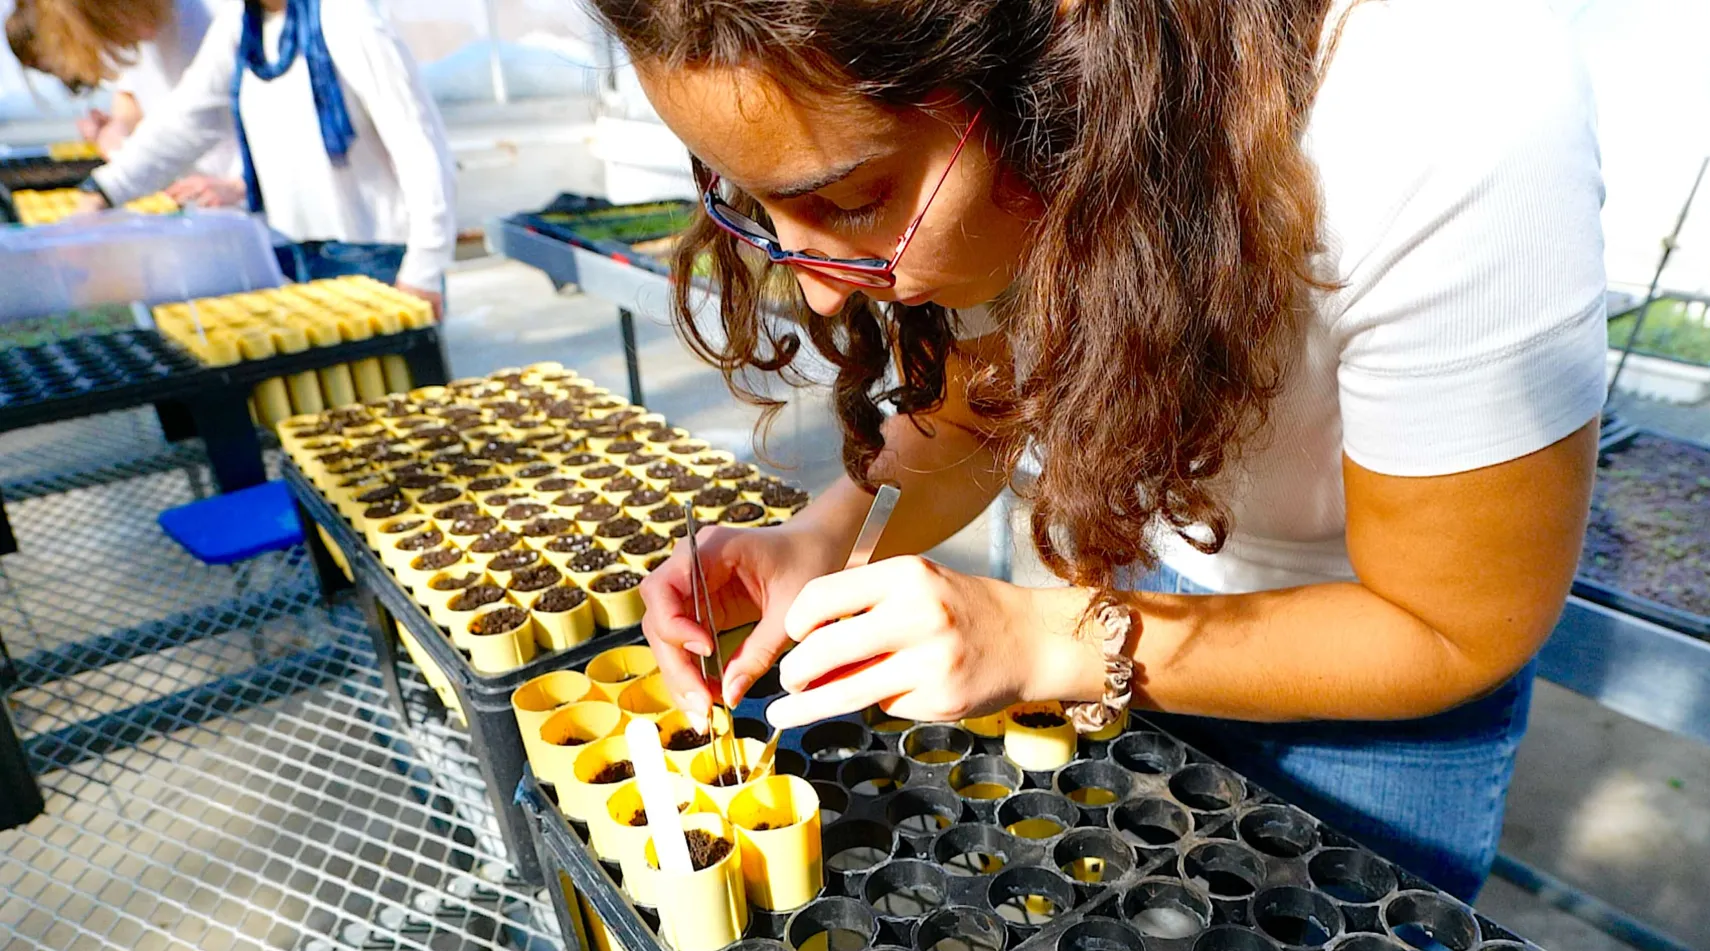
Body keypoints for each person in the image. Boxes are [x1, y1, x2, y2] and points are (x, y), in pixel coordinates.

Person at [615, 0, 1605, 902]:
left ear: (1048, 50)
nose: (822, 293)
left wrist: (1048, 638)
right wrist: (824, 539)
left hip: (1380, 679)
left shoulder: (1458, 110)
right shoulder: (1058, 102)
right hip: (1143, 587)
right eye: (748, 201)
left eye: (851, 200)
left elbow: (1448, 626)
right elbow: (991, 389)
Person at [68, 0, 455, 315]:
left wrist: (424, 268)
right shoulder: (242, 25)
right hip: (294, 256)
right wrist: (103, 190)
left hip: (377, 260)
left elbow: (420, 147)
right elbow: (185, 121)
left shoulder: (348, 18)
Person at [5, 0, 242, 206]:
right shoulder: (134, 40)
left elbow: (191, 120)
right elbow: (133, 96)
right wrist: (118, 129)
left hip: (254, 205)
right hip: (207, 204)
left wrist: (242, 184)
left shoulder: (219, 15)